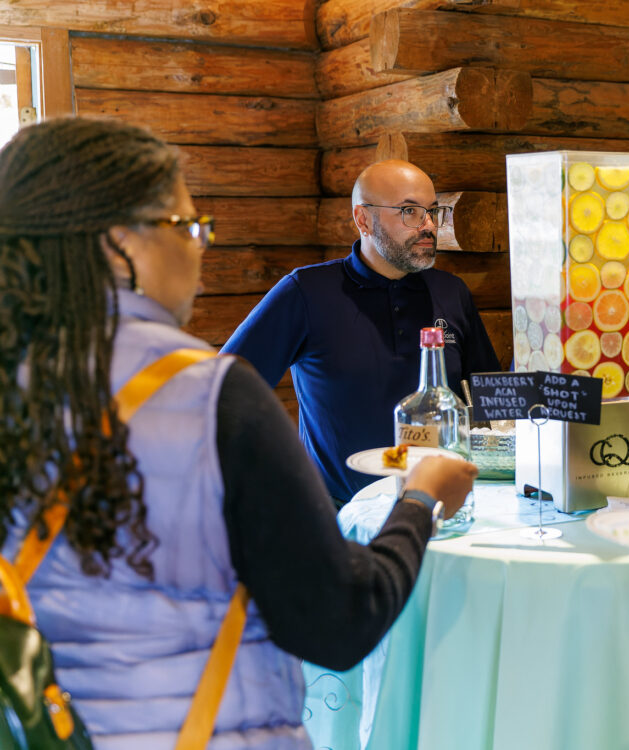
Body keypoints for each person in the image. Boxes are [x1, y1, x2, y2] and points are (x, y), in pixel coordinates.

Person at [0, 117, 477, 749]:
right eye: (187, 226)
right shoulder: (209, 395)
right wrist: (419, 499)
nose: (201, 250)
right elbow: (338, 621)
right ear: (118, 244)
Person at [222, 160, 500, 505]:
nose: (429, 225)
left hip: (441, 509)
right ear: (363, 219)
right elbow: (226, 388)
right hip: (338, 518)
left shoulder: (450, 292)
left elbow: (491, 400)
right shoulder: (306, 292)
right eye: (410, 211)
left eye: (432, 211)